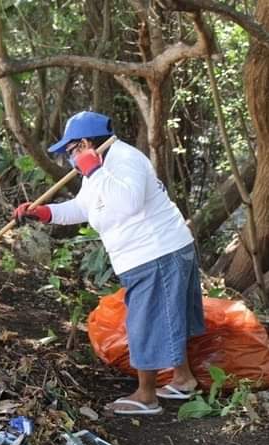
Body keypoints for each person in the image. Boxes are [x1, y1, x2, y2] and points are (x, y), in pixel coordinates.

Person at [13, 111, 204, 415]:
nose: (69, 157)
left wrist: (94, 171)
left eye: (71, 150)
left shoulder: (124, 159)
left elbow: (127, 202)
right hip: (152, 253)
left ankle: (147, 396)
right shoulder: (100, 166)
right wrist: (44, 213)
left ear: (86, 143)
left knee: (147, 322)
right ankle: (182, 380)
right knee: (166, 316)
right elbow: (85, 207)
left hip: (156, 252)